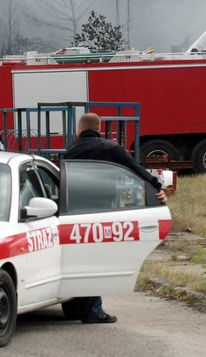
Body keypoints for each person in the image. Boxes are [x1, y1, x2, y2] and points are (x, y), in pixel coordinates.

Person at [62, 112, 167, 324]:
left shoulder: (70, 150)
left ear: (80, 130)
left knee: (77, 258)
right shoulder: (110, 148)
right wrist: (156, 187)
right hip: (100, 212)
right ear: (99, 129)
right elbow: (135, 169)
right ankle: (93, 311)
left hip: (71, 210)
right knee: (95, 260)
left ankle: (74, 308)